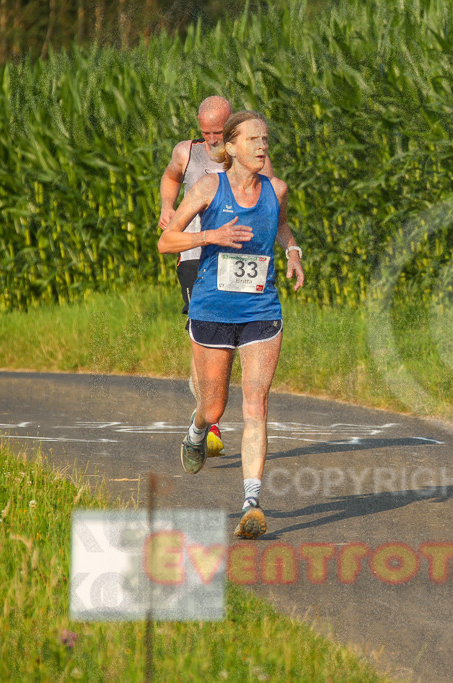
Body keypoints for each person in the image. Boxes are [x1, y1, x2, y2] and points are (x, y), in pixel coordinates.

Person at [158, 110, 304, 539]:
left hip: (261, 310)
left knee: (256, 406)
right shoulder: (209, 187)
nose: (262, 145)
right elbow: (166, 241)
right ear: (232, 147)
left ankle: (251, 504)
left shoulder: (277, 189)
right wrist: (211, 236)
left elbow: (280, 226)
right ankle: (196, 429)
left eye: (266, 139)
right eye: (253, 139)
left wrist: (293, 252)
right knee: (214, 407)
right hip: (212, 311)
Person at [158, 96, 276, 459]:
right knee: (202, 334)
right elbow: (170, 178)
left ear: (230, 132)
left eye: (217, 133)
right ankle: (207, 418)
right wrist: (167, 206)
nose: (211, 139)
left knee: (252, 394)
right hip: (196, 255)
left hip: (242, 259)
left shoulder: (254, 155)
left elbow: (273, 203)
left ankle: (210, 413)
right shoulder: (186, 152)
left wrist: (289, 249)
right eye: (205, 132)